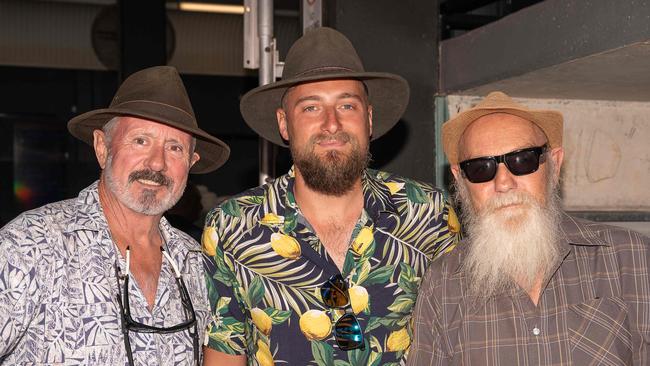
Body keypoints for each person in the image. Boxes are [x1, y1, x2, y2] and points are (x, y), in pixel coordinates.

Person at [202, 27, 460, 365]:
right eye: (310, 108)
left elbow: (461, 339)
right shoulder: (232, 228)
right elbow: (225, 353)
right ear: (284, 123)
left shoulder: (429, 214)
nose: (331, 124)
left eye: (347, 105)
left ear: (368, 119)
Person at [0, 66, 230, 365]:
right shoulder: (30, 246)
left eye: (174, 148)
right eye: (140, 141)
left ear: (190, 163)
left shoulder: (196, 264)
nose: (157, 163)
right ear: (102, 148)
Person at [408, 91, 650, 365]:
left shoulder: (632, 258)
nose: (503, 182)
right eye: (480, 168)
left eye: (522, 160)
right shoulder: (442, 284)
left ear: (554, 164)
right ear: (460, 181)